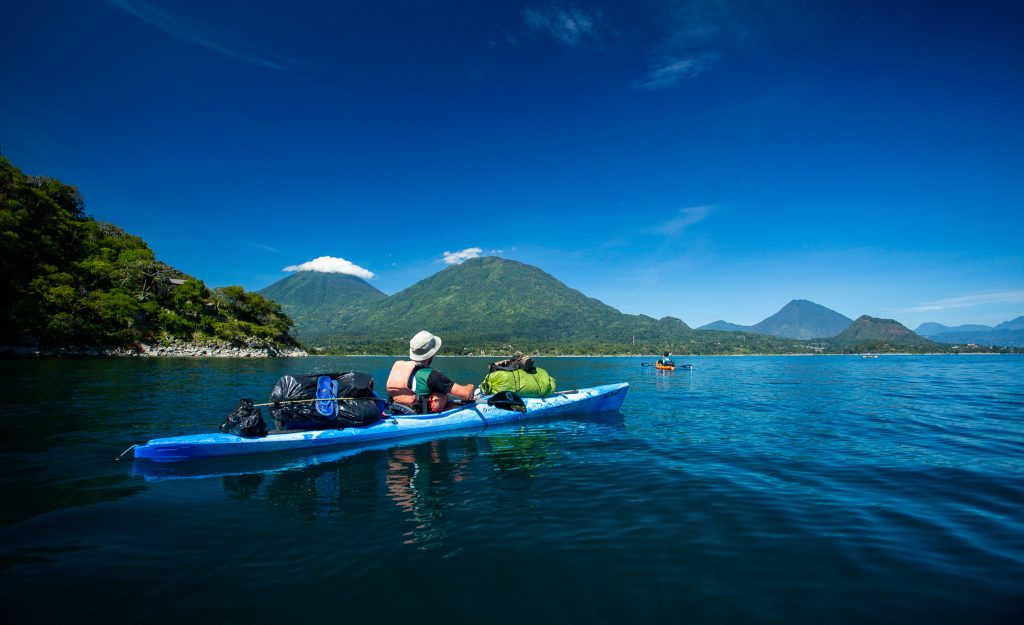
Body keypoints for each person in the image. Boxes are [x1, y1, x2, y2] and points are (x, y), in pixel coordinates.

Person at [386, 330, 475, 413]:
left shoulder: (401, 371)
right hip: (421, 418)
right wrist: (470, 386)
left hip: (400, 413)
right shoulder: (432, 375)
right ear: (431, 354)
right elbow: (466, 394)